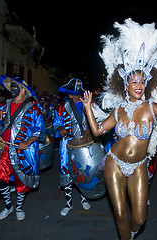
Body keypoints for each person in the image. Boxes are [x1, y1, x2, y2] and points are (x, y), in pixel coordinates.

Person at [81, 19, 157, 240]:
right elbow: (97, 131)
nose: (138, 85)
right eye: (133, 81)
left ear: (146, 84)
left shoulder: (153, 108)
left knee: (139, 219)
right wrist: (88, 108)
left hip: (138, 166)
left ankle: (131, 234)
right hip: (114, 163)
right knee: (120, 215)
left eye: (142, 82)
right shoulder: (118, 110)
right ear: (125, 84)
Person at [0, 75, 45, 221]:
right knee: (0, 179)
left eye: (15, 86)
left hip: (24, 151)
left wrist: (28, 141)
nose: (12, 89)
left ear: (23, 90)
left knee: (21, 182)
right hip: (4, 149)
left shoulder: (33, 108)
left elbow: (40, 130)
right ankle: (8, 206)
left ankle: (19, 207)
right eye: (11, 87)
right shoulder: (4, 105)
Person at [53, 78, 92, 216]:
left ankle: (84, 198)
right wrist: (59, 128)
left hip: (85, 145)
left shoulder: (89, 104)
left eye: (71, 91)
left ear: (78, 93)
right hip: (67, 145)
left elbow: (98, 119)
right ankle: (68, 204)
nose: (69, 93)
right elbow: (56, 122)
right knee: (67, 171)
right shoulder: (62, 105)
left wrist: (90, 129)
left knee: (83, 171)